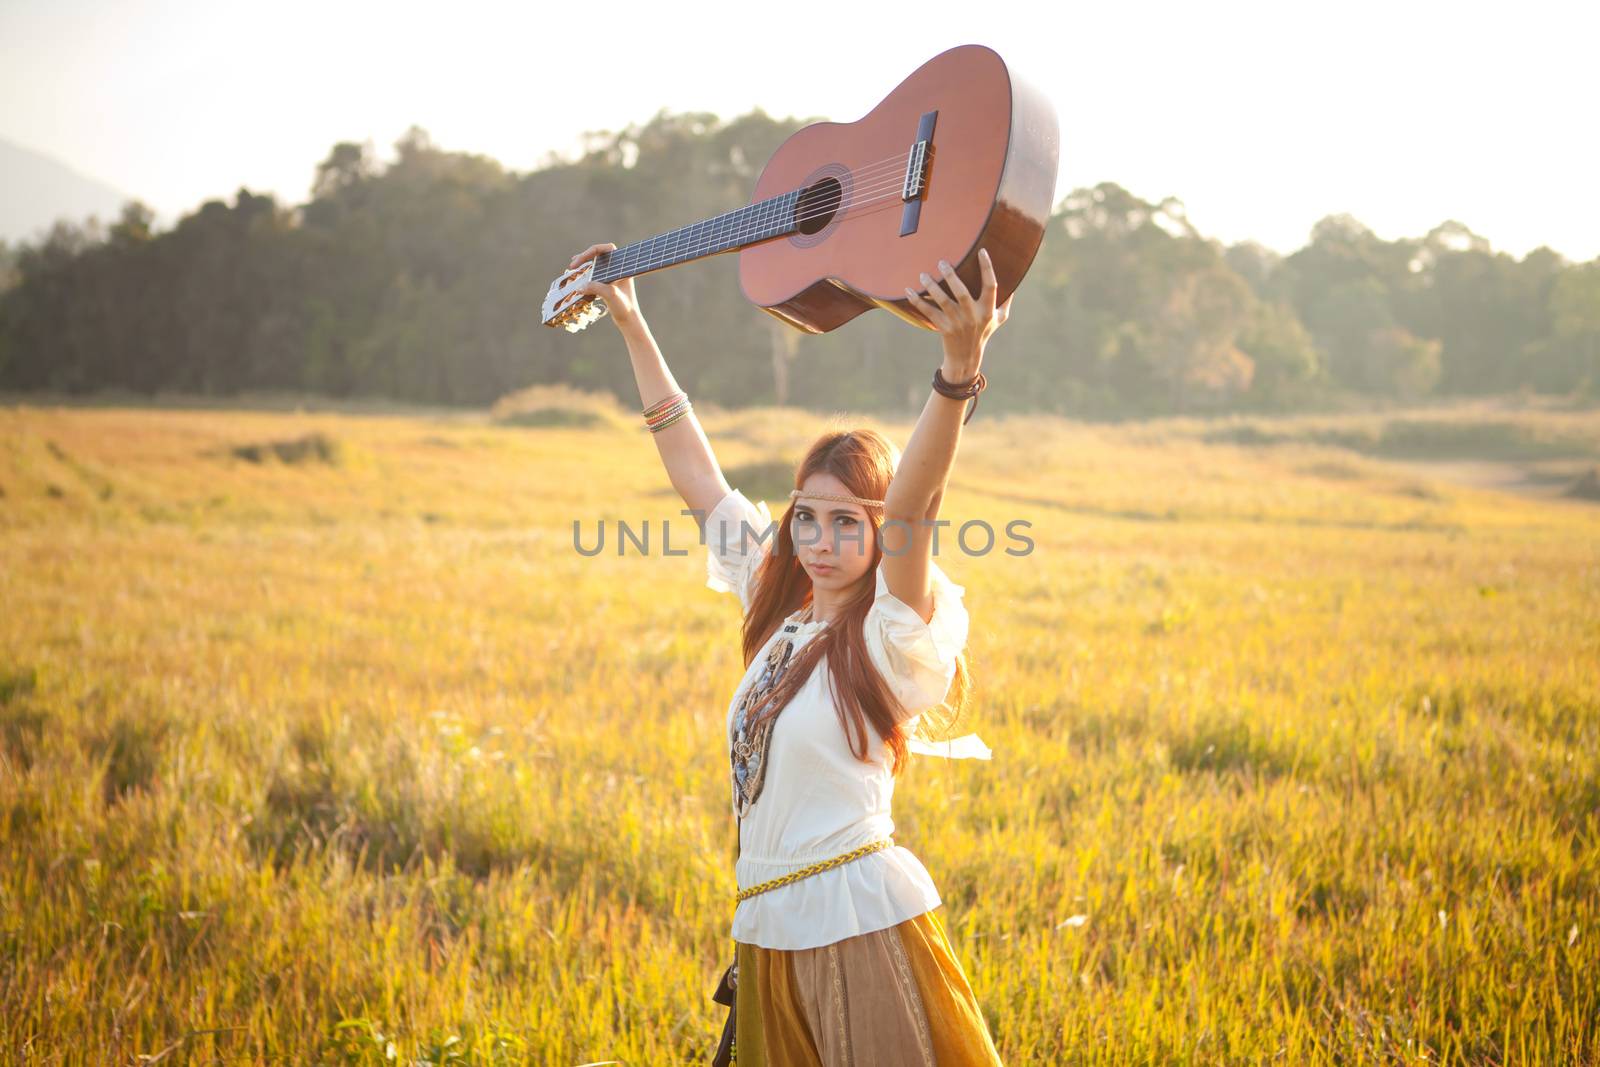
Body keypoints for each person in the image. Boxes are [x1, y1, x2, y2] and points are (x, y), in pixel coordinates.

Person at [569, 240, 1011, 1065]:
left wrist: (957, 373)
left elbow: (914, 502)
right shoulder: (779, 604)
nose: (820, 538)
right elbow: (692, 467)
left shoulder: (887, 635)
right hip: (768, 929)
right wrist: (630, 319)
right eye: (808, 515)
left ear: (881, 536)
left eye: (850, 522)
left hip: (859, 925)